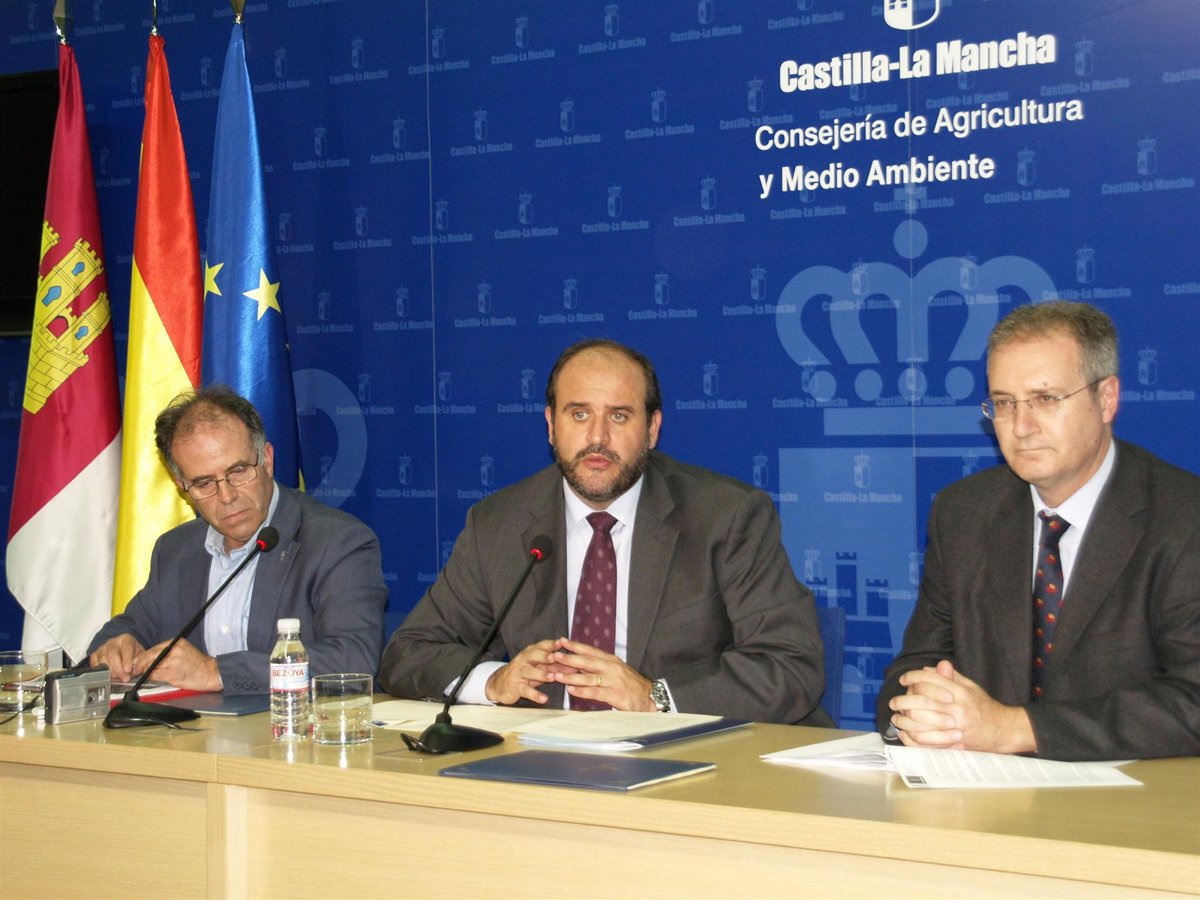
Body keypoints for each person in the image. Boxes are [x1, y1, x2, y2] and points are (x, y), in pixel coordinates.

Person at [379, 339, 827, 725]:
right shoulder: (499, 524)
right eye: (578, 414)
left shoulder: (726, 517)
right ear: (551, 425)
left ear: (652, 429)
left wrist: (654, 698)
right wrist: (493, 681)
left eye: (619, 416)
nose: (597, 438)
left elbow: (791, 665)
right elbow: (409, 652)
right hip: (542, 762)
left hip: (686, 758)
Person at [878, 301, 1200, 760]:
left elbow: (1192, 699)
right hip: (984, 791)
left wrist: (1016, 728)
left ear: (1106, 399)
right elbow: (916, 667)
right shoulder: (962, 513)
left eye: (1045, 399)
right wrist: (920, 714)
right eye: (1004, 403)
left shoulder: (1184, 518)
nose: (1021, 427)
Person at [88, 386, 387, 694]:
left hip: (294, 722)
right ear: (183, 487)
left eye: (239, 471)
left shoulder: (337, 542)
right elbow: (130, 626)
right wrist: (117, 645)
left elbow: (353, 660)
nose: (227, 496)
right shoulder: (176, 549)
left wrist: (215, 672)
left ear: (267, 460)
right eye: (204, 483)